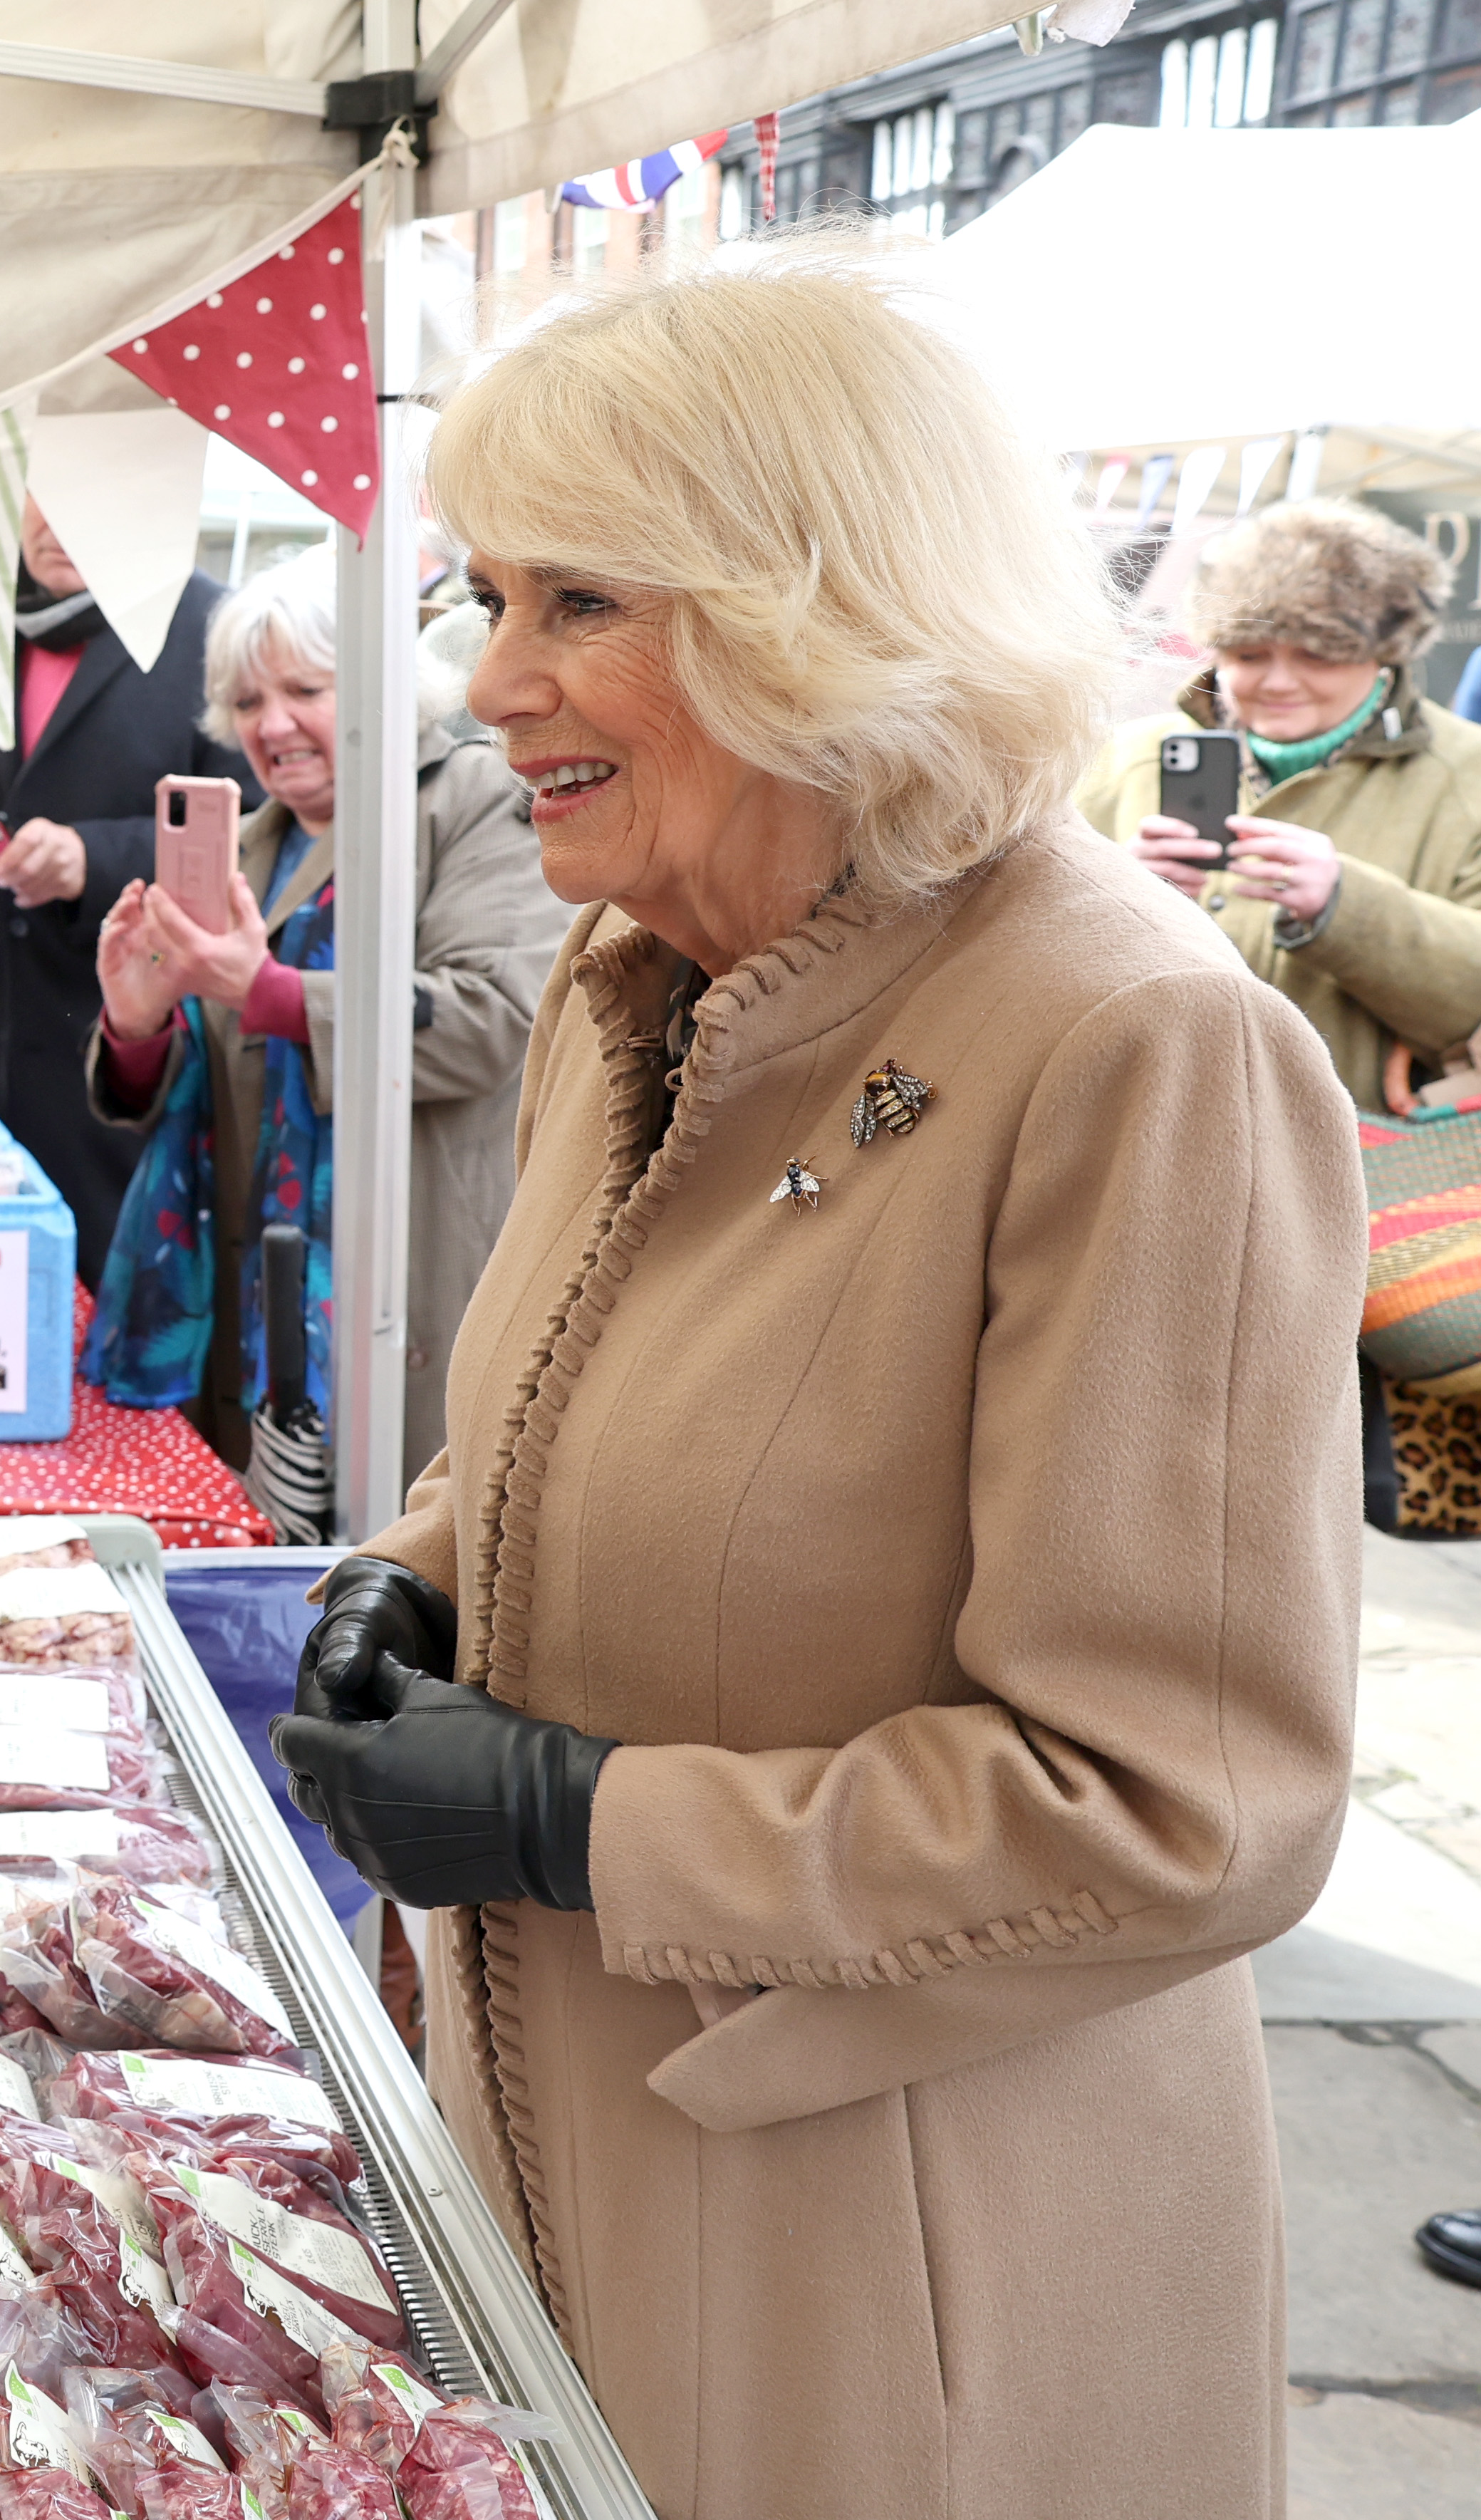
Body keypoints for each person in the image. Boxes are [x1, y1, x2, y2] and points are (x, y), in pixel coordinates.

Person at [266, 251, 1356, 2518]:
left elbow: (1187, 1806)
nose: (483, 681)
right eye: (487, 593)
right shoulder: (632, 977)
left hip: (901, 2279)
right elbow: (597, 1408)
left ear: (815, 607)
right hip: (571, 2157)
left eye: (576, 601)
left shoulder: (1125, 1044)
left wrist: (584, 1818)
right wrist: (411, 1573)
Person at [80, 546, 557, 1520]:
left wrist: (266, 992)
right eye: (247, 701)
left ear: (380, 686)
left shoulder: (469, 800)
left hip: (403, 1283)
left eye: (303, 688)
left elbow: (491, 1018)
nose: (272, 724)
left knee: (399, 1563)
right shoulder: (251, 840)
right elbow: (213, 1073)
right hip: (262, 1296)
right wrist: (133, 1027)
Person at [1083, 500, 1481, 1530]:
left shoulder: (1466, 779)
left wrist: (1345, 907)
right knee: (1121, 1487)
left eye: (1317, 651)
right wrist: (1122, 897)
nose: (1273, 680)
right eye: (1247, 650)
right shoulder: (1132, 759)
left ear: (1387, 651)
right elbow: (999, 947)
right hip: (1133, 1186)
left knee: (1288, 1514)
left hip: (1350, 1212)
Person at [0, 499, 251, 1281]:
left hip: (136, 1024)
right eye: (39, 503)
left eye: (87, 502)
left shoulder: (209, 626)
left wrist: (97, 857)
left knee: (115, 1268)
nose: (58, 528)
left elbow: (258, 828)